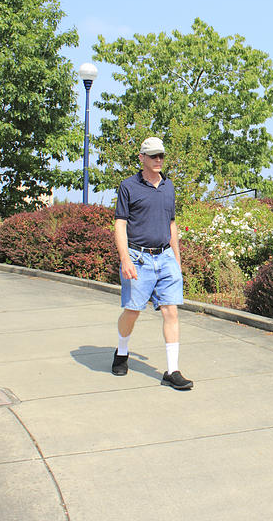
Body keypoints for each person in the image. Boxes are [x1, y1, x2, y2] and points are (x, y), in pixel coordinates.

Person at [111, 136, 193, 390]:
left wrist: (177, 259)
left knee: (171, 311)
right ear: (142, 158)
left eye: (161, 156)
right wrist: (125, 258)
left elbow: (171, 224)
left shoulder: (169, 187)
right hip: (138, 258)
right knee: (133, 311)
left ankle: (172, 370)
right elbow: (120, 224)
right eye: (153, 156)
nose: (159, 160)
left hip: (166, 257)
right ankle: (122, 352)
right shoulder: (128, 186)